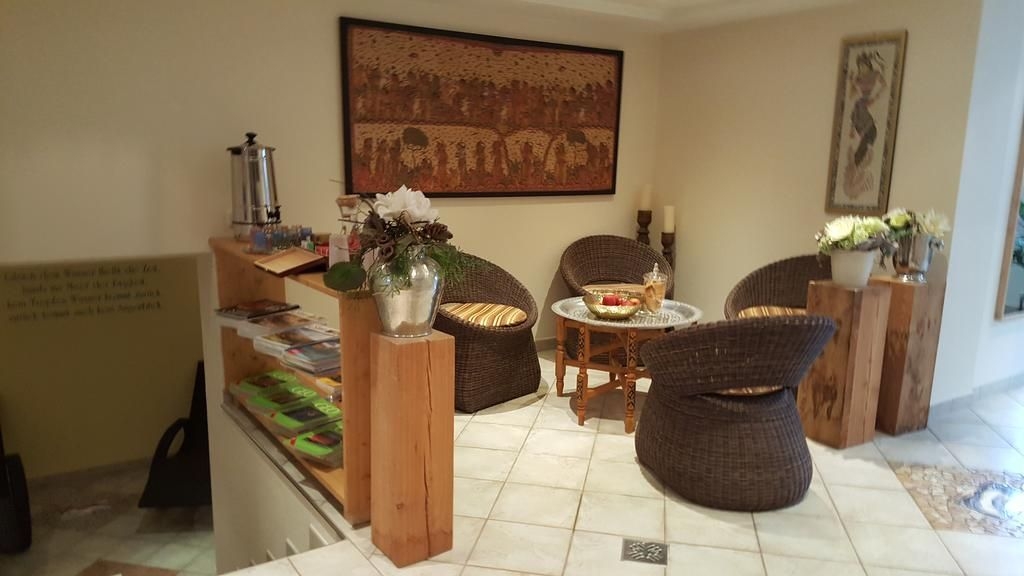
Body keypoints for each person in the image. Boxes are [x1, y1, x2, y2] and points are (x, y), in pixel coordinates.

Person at [843, 50, 887, 198]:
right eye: (860, 67)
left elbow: (884, 85)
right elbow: (851, 95)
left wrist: (876, 97)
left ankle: (860, 157)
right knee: (857, 110)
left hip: (866, 104)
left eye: (863, 66)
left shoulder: (875, 75)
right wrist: (851, 82)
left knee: (864, 140)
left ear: (868, 65)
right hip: (861, 105)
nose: (862, 70)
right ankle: (859, 137)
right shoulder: (859, 79)